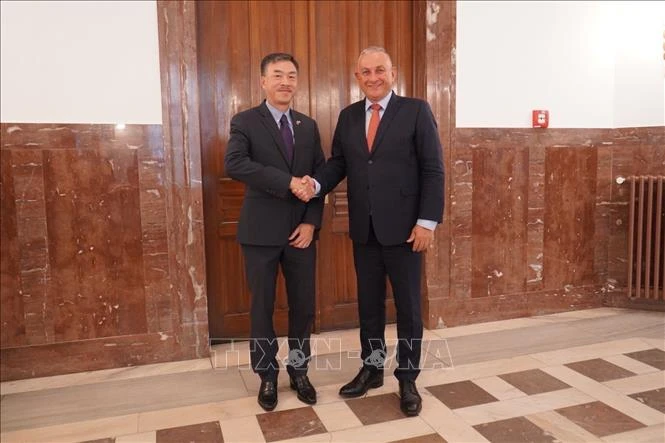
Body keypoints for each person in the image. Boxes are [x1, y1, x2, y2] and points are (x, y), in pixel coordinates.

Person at [296, 46, 444, 416]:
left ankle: (407, 378)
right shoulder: (347, 117)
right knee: (369, 306)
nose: (373, 77)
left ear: (393, 73)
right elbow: (338, 165)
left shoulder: (415, 111)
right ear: (356, 76)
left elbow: (433, 169)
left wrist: (427, 222)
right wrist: (314, 185)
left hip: (407, 231)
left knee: (409, 309)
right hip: (364, 231)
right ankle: (372, 368)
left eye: (380, 70)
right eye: (366, 72)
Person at [224, 52, 324, 411]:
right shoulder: (246, 121)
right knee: (261, 307)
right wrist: (287, 182)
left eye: (292, 76)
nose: (286, 82)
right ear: (263, 81)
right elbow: (234, 163)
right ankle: (267, 374)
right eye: (278, 75)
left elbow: (319, 180)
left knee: (303, 306)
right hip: (260, 232)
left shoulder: (308, 126)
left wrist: (312, 222)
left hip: (301, 233)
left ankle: (299, 371)